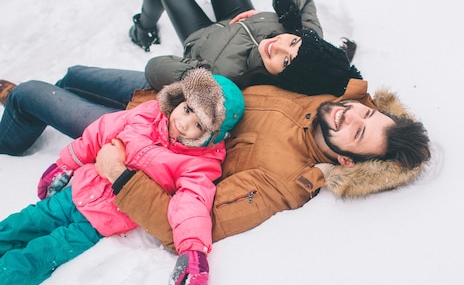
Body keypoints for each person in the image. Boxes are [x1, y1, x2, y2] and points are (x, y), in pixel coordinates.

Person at [92, 78, 433, 250]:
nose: (351, 115)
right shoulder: (331, 95)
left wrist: (121, 177)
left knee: (36, 95)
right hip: (162, 94)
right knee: (76, 75)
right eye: (367, 113)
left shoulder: (284, 183)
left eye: (358, 132)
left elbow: (189, 228)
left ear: (345, 159)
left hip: (122, 139)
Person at [0, 69, 245, 285]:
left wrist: (193, 250)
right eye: (188, 109)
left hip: (99, 222)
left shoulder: (198, 164)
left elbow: (192, 203)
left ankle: (5, 281)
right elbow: (100, 132)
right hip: (76, 192)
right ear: (180, 98)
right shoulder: (147, 114)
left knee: (44, 253)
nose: (184, 123)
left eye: (199, 125)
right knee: (25, 222)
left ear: (213, 135)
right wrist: (65, 163)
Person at [129, 0, 360, 96]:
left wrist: (200, 73)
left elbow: (154, 69)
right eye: (292, 41)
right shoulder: (307, 38)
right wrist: (286, 8)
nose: (278, 46)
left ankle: (143, 30)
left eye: (286, 60)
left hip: (200, 35)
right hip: (239, 13)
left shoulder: (231, 82)